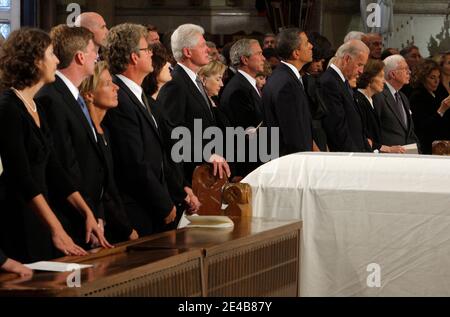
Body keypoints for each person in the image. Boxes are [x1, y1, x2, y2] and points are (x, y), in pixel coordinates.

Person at [0, 28, 108, 263]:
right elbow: (22, 178)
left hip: (40, 219)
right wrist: (56, 228)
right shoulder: (8, 107)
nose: (58, 60)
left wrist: (86, 211)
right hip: (19, 219)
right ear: (35, 61)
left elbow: (55, 170)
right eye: (52, 54)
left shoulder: (37, 107)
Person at [35, 25, 113, 249]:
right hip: (70, 218)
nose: (97, 57)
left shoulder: (72, 95)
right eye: (93, 51)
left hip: (88, 216)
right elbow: (65, 164)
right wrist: (86, 211)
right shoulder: (52, 97)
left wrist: (96, 213)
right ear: (80, 56)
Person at [103, 23, 176, 235]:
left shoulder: (136, 93)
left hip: (151, 204)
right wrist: (163, 202)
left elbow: (157, 153)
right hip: (137, 208)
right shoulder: (121, 98)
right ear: (134, 57)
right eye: (147, 49)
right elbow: (134, 162)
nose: (152, 53)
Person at [157, 24, 231, 183]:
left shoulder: (194, 81)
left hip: (205, 174)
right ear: (187, 52)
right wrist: (206, 154)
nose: (208, 50)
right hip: (188, 177)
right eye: (203, 45)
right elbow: (172, 135)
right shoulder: (175, 84)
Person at [79, 61, 139, 242]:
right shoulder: (84, 133)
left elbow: (112, 185)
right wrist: (126, 228)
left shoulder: (107, 130)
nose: (116, 88)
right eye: (107, 84)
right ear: (89, 94)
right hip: (94, 226)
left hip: (114, 223)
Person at [143, 43, 201, 227]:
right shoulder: (151, 106)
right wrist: (180, 192)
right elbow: (160, 157)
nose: (170, 66)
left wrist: (184, 186)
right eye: (164, 63)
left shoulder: (157, 106)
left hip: (176, 189)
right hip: (160, 200)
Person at [262, 28, 317, 156]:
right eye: (306, 43)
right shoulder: (287, 84)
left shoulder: (282, 77)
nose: (311, 46)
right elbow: (294, 133)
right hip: (292, 163)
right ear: (296, 53)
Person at [320, 40, 371, 152]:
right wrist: (354, 157)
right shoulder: (329, 82)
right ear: (347, 59)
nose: (361, 71)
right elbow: (337, 129)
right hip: (347, 158)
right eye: (359, 65)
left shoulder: (341, 82)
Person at [354, 59, 406, 153]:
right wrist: (389, 149)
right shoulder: (359, 101)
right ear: (370, 78)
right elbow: (364, 138)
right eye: (381, 76)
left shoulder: (371, 101)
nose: (384, 81)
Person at [373, 55, 419, 149]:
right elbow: (374, 130)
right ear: (392, 74)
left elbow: (410, 131)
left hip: (407, 155)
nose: (409, 72)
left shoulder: (403, 97)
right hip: (388, 157)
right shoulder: (378, 96)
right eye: (405, 69)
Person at [409, 59, 450, 154]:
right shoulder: (417, 96)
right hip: (429, 147)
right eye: (432, 77)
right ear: (422, 78)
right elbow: (424, 126)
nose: (437, 81)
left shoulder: (438, 93)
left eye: (438, 77)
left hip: (443, 144)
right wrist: (441, 110)